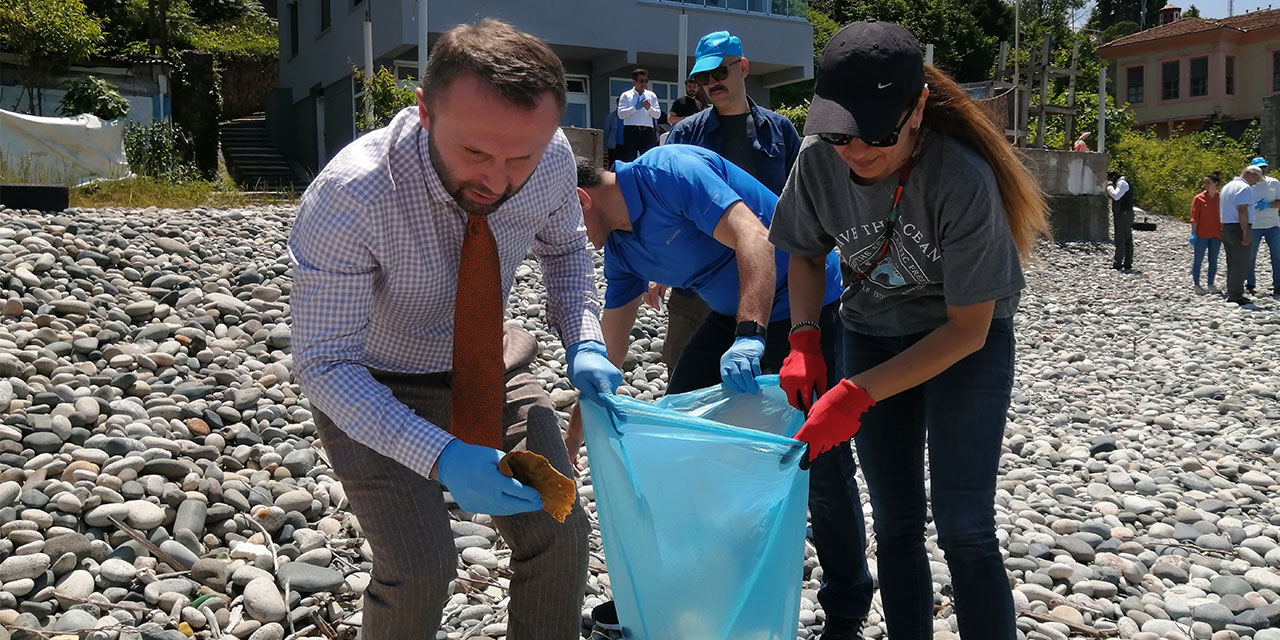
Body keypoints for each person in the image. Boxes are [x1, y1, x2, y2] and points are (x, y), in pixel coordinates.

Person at [288, 20, 623, 639]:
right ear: (424, 112)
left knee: (559, 532)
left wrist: (584, 339)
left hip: (487, 364)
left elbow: (565, 250)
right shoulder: (352, 195)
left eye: (519, 158)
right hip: (372, 382)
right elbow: (325, 364)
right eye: (474, 153)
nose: (497, 180)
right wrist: (441, 455)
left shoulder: (550, 159)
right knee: (419, 569)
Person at [770, 20, 1050, 640]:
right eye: (838, 132)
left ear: (917, 108)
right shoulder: (817, 160)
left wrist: (855, 392)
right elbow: (805, 252)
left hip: (963, 345)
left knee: (964, 525)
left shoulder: (961, 178)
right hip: (871, 331)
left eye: (876, 133)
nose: (855, 150)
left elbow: (969, 330)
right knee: (895, 523)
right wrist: (805, 336)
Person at [567, 146, 875, 638]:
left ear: (582, 200)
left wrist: (750, 335)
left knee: (820, 459)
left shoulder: (669, 172)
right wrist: (572, 443)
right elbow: (609, 353)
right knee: (677, 439)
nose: (568, 241)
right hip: (733, 315)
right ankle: (687, 589)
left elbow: (754, 236)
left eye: (562, 226)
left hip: (806, 305)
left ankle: (845, 610)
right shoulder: (622, 250)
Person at [1220, 165, 1261, 305]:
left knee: (1232, 262)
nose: (1256, 183)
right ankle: (1236, 295)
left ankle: (1232, 291)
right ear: (1250, 174)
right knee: (1241, 263)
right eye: (1256, 179)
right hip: (1239, 227)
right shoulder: (1244, 188)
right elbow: (1242, 210)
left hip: (1226, 227)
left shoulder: (1227, 186)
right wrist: (1246, 232)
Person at [1246, 157, 1280, 297]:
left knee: (1277, 256)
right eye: (1259, 168)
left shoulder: (1274, 183)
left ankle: (1278, 285)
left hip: (1273, 225)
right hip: (1254, 225)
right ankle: (1250, 284)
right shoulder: (1247, 185)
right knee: (1250, 256)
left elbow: (1279, 202)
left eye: (1264, 167)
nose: (1263, 170)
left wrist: (1268, 205)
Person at [616, 68, 660, 162]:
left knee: (647, 160)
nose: (644, 84)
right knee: (629, 159)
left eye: (646, 81)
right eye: (641, 81)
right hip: (631, 131)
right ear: (634, 81)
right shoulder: (626, 95)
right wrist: (636, 108)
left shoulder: (651, 95)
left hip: (647, 132)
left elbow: (657, 115)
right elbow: (621, 114)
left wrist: (649, 108)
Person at [1189, 172, 1222, 295]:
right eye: (1204, 183)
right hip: (1202, 234)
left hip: (1217, 234)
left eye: (1208, 182)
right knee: (1198, 260)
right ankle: (1197, 285)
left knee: (1213, 260)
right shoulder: (1199, 198)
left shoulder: (1221, 198)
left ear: (1216, 183)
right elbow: (1194, 217)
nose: (1205, 185)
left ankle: (1210, 284)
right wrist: (1193, 233)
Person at [1106, 170, 1135, 271]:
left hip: (1123, 214)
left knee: (1120, 238)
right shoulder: (1124, 182)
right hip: (1125, 213)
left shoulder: (1122, 183)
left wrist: (1109, 186)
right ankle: (1127, 262)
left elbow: (1116, 196)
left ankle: (1118, 263)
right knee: (1127, 238)